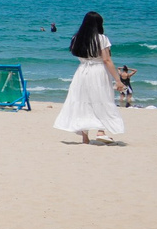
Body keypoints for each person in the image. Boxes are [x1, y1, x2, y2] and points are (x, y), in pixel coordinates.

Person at [55, 11, 129, 145]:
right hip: (98, 71)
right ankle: (101, 131)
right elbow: (107, 60)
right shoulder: (101, 38)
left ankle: (85, 137)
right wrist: (118, 80)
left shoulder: (76, 38)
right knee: (103, 98)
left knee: (84, 101)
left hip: (82, 71)